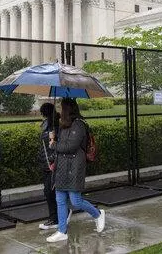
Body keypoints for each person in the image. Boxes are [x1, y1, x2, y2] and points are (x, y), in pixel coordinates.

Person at [46, 98, 105, 243]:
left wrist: (53, 144)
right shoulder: (63, 125)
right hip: (62, 166)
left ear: (67, 109)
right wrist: (54, 138)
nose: (59, 110)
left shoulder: (79, 125)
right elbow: (63, 145)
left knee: (76, 200)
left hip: (74, 167)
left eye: (61, 107)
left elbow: (70, 147)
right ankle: (62, 231)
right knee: (59, 199)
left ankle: (97, 214)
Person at [37, 102, 61, 230]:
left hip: (51, 164)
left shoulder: (55, 126)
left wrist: (53, 139)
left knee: (49, 191)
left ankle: (55, 218)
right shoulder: (48, 125)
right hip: (46, 163)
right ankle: (56, 216)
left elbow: (54, 146)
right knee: (50, 191)